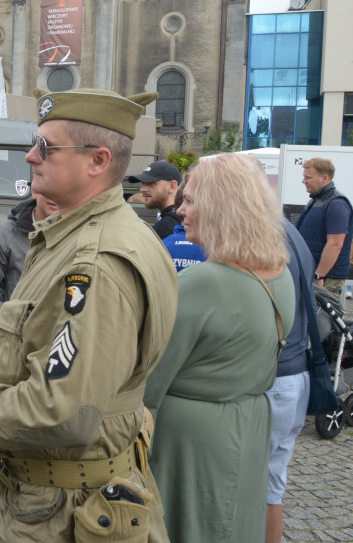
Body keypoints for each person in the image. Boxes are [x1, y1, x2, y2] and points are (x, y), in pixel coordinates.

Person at [0, 87, 177, 541]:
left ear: (98, 161)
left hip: (68, 516)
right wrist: (4, 367)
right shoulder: (86, 235)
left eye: (45, 146)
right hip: (64, 503)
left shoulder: (96, 262)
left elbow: (65, 413)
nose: (29, 156)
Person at [143, 154, 294, 542]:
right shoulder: (280, 271)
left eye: (190, 200)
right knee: (235, 523)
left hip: (190, 442)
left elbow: (150, 383)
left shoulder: (205, 281)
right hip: (250, 423)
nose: (180, 210)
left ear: (220, 206)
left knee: (191, 526)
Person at [266, 221, 313, 543]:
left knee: (243, 484)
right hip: (295, 374)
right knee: (271, 485)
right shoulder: (290, 231)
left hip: (274, 378)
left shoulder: (262, 234)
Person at [0, 190, 58, 325]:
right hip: (13, 331)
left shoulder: (79, 234)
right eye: (48, 188)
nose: (55, 195)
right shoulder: (7, 233)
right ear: (35, 192)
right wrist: (3, 326)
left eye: (62, 189)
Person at [295, 157, 353, 299]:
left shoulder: (337, 204)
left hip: (325, 279)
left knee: (322, 320)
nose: (303, 181)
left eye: (308, 177)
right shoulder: (316, 201)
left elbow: (335, 245)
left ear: (324, 178)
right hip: (314, 275)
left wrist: (319, 275)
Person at [128, 160, 182, 239]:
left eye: (151, 183)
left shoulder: (164, 228)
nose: (143, 189)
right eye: (143, 183)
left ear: (172, 186)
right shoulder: (185, 220)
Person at [162, 185, 205, 272]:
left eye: (189, 201)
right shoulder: (216, 251)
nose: (179, 211)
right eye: (185, 201)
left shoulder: (162, 246)